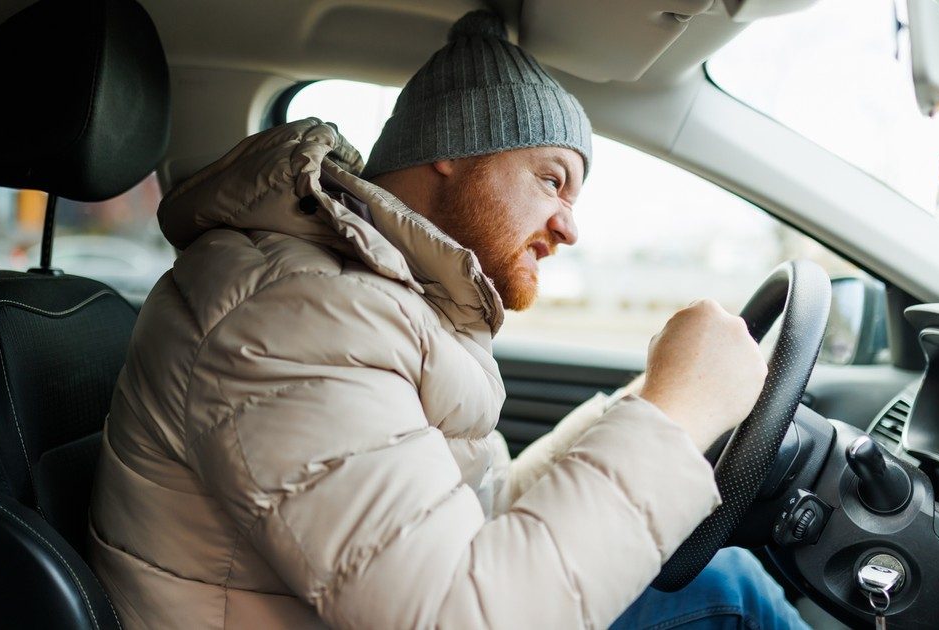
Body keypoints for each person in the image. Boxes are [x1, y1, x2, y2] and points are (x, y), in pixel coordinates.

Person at [88, 9, 809, 629]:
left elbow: (474, 522)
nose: (569, 228)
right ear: (451, 155)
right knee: (731, 596)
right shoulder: (293, 317)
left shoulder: (375, 301)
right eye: (552, 179)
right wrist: (676, 417)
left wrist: (639, 409)